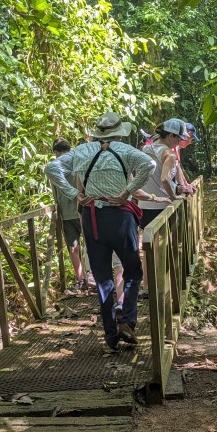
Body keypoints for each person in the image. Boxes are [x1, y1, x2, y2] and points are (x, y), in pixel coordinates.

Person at [45, 111, 159, 351]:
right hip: (120, 217)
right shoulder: (126, 151)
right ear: (119, 132)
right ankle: (127, 319)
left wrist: (75, 194)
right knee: (133, 271)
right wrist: (128, 191)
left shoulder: (82, 151)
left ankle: (110, 335)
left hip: (93, 217)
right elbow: (149, 163)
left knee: (103, 278)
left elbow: (51, 169)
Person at [44, 139, 86, 290]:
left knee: (73, 246)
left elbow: (56, 192)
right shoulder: (79, 159)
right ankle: (94, 275)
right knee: (91, 245)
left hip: (67, 214)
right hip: (84, 209)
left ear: (55, 152)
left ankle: (81, 279)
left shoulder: (55, 167)